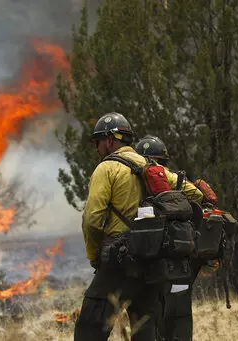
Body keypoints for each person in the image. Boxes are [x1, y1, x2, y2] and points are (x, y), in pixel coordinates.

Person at [74, 113, 182, 341]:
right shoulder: (152, 167)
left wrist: (95, 256)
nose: (97, 148)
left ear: (110, 141)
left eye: (98, 142)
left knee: (88, 330)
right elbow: (194, 192)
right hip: (152, 264)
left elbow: (92, 220)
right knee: (145, 332)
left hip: (119, 263)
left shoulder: (107, 169)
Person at [135, 135, 204, 341]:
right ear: (163, 159)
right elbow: (197, 196)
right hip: (178, 258)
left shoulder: (134, 178)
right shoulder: (172, 176)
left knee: (150, 314)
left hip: (149, 260)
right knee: (180, 312)